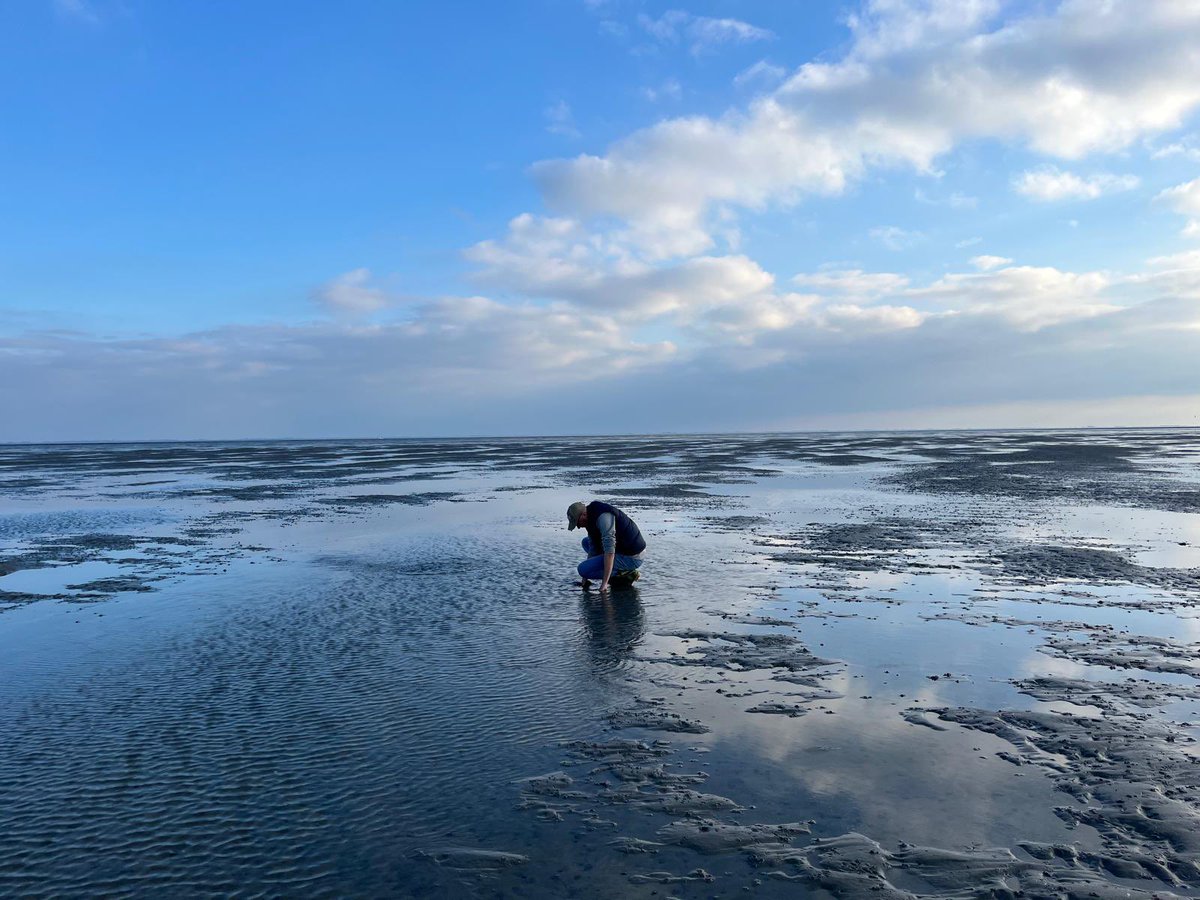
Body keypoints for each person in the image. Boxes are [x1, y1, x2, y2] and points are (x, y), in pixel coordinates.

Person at [566, 500, 646, 592]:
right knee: (586, 542)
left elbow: (610, 551)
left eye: (577, 523)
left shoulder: (603, 517)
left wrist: (604, 585)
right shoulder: (590, 517)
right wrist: (585, 579)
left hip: (633, 557)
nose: (578, 527)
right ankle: (617, 570)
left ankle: (624, 574)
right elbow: (593, 548)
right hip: (621, 549)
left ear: (583, 515)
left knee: (582, 569)